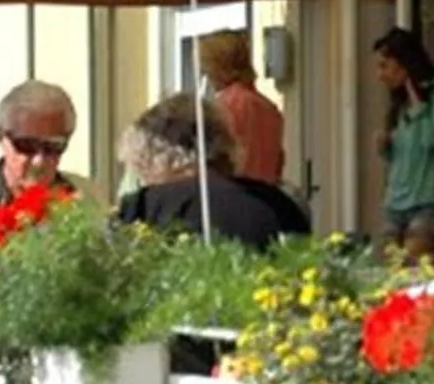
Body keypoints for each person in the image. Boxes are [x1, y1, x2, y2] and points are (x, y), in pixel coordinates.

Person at [113, 93, 309, 249]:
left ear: (164, 160)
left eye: (141, 167)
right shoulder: (279, 202)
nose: (142, 179)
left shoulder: (144, 207)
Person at [371, 27, 434, 257]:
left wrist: (416, 99)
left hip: (425, 199)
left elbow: (430, 139)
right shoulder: (398, 104)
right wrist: (384, 146)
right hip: (395, 201)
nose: (380, 75)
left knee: (413, 264)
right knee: (385, 262)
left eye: (384, 66)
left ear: (403, 64)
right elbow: (397, 156)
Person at [0, 79, 88, 209]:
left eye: (52, 146)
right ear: (0, 136)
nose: (39, 161)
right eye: (27, 145)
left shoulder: (90, 202)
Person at [196, 28, 286, 184]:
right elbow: (278, 163)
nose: (205, 73)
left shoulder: (222, 108)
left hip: (232, 194)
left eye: (206, 65)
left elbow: (213, 162)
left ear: (218, 65)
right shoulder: (269, 108)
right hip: (265, 196)